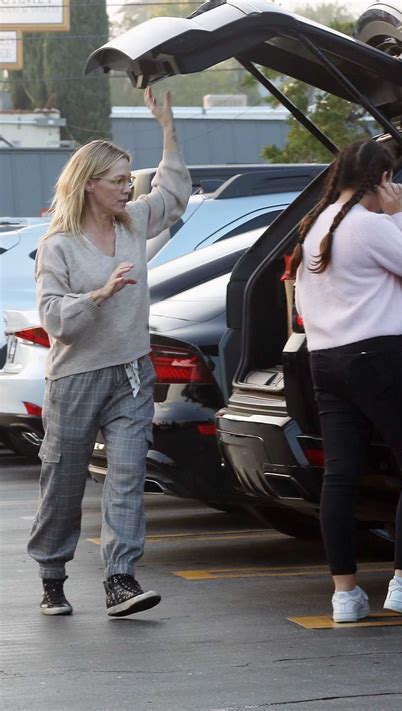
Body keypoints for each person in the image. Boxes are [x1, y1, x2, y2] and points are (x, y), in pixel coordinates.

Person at [28, 88, 192, 617]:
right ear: (89, 185)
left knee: (126, 479)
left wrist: (167, 126)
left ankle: (120, 578)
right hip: (76, 377)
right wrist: (98, 296)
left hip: (132, 373)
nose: (128, 188)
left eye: (129, 179)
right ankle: (53, 575)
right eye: (118, 181)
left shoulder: (133, 222)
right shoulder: (60, 246)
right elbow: (55, 320)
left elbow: (173, 194)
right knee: (64, 481)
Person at [287, 139, 402, 623]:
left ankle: (346, 594)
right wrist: (400, 215)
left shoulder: (314, 224)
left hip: (326, 360)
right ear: (381, 180)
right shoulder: (370, 226)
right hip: (376, 357)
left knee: (340, 475)